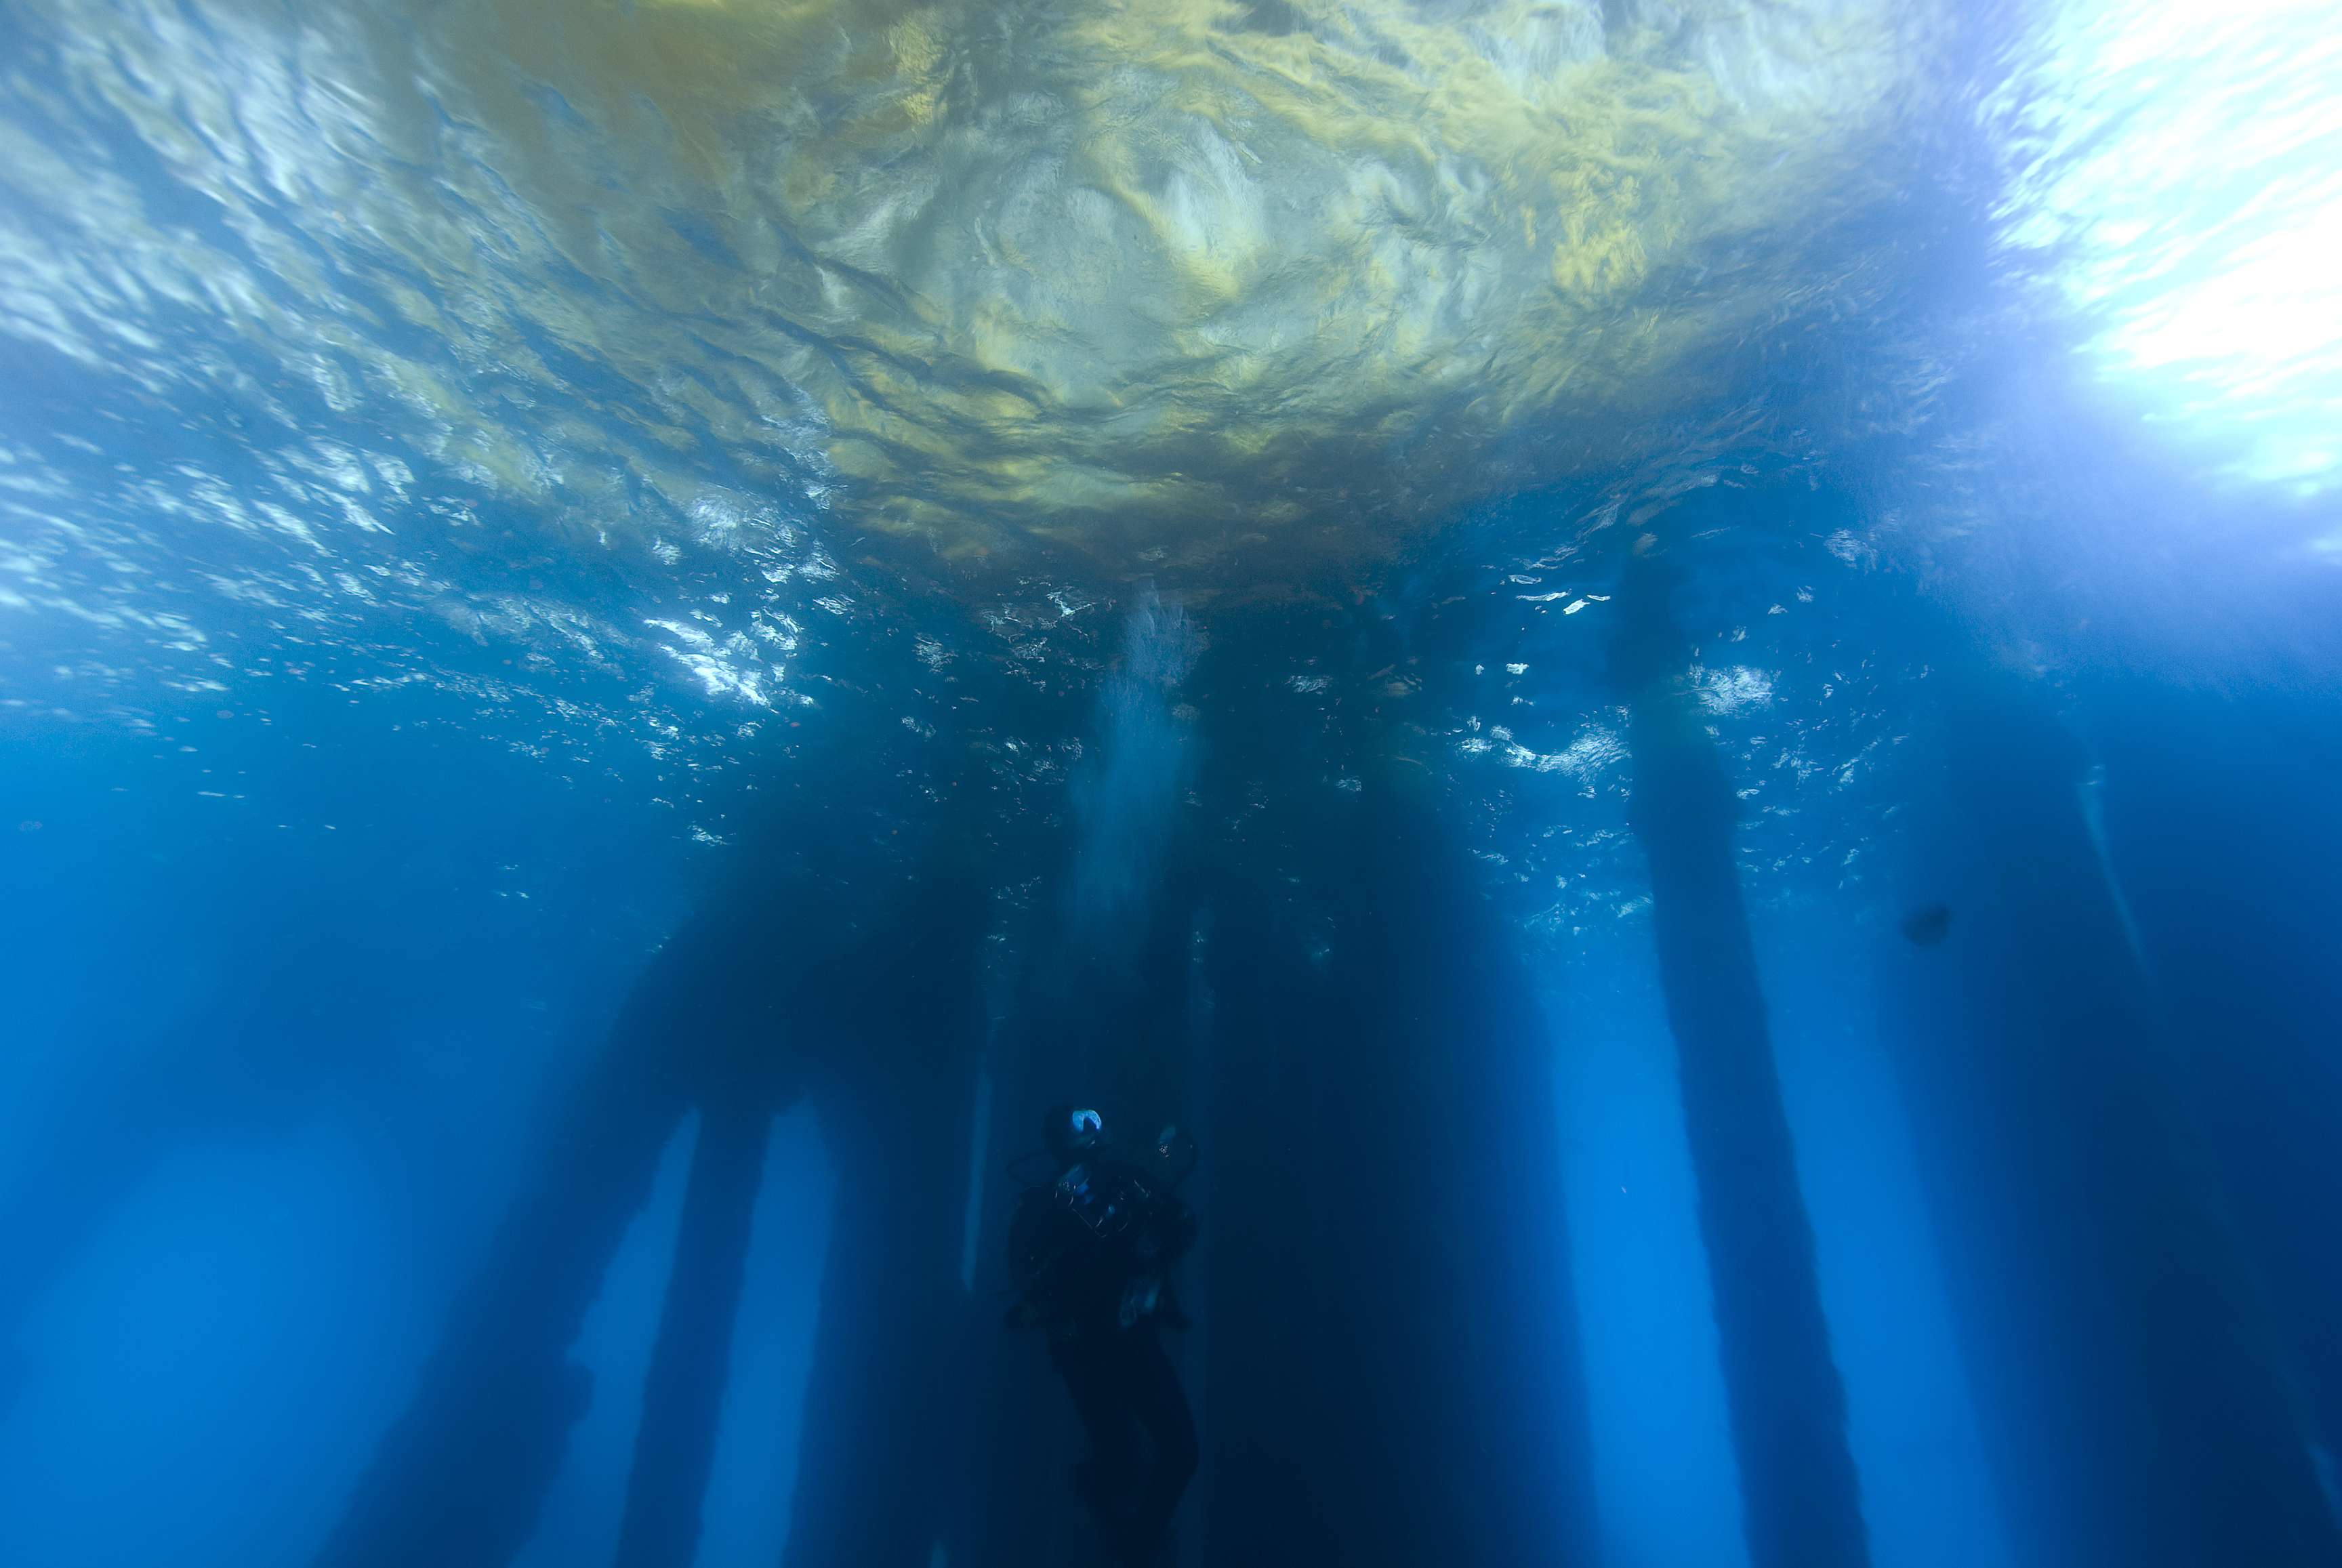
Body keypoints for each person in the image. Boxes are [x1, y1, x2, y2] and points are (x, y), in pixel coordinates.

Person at [1006, 1105, 1199, 1566]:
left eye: (1093, 1118)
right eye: (1080, 1122)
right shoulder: (1039, 1210)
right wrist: (1051, 1306)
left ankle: (1135, 1542)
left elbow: (1183, 1222)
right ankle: (1111, 1519)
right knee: (1123, 1462)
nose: (1094, 1127)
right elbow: (1027, 1286)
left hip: (1133, 1341)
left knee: (1181, 1453)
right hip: (1086, 1354)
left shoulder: (1125, 1181)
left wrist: (1152, 1275)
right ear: (1060, 1142)